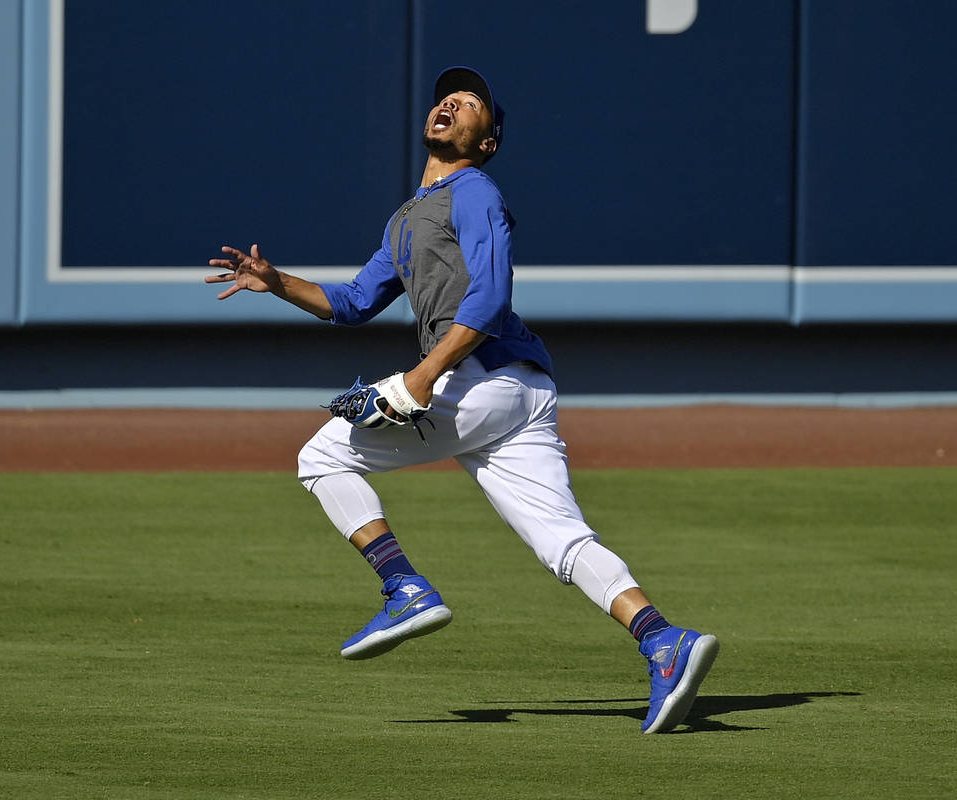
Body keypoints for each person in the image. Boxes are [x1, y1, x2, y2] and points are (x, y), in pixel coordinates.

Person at [206, 66, 718, 733]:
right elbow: (352, 302)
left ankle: (404, 588)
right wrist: (277, 283)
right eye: (448, 94)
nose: (452, 101)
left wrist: (422, 378)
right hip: (519, 391)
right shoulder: (405, 221)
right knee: (561, 538)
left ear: (488, 142)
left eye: (470, 102)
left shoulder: (473, 191)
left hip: (482, 377)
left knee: (322, 456)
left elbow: (489, 295)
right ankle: (661, 639)